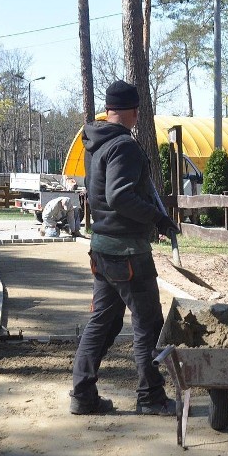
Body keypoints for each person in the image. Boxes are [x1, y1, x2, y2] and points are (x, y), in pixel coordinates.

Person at [69, 79, 179, 416]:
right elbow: (119, 195)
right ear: (132, 111)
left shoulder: (96, 144)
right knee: (148, 323)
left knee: (104, 321)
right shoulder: (124, 147)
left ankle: (82, 395)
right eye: (138, 111)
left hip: (102, 248)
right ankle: (150, 396)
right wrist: (157, 219)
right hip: (127, 252)